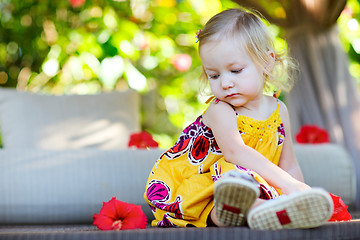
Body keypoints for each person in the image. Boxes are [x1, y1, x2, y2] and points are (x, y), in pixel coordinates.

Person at [144, 8, 335, 230]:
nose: (225, 83)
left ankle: (264, 211)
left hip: (254, 185)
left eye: (235, 70)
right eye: (214, 75)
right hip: (207, 188)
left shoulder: (279, 109)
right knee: (233, 181)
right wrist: (287, 184)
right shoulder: (221, 110)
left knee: (248, 185)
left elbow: (289, 164)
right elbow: (236, 153)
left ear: (266, 62)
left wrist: (299, 191)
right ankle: (244, 211)